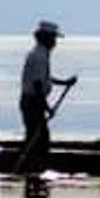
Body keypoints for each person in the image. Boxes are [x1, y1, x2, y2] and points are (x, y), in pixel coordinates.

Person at [19, 20, 76, 173]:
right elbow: (37, 86)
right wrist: (47, 108)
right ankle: (32, 169)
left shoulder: (41, 53)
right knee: (39, 139)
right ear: (45, 38)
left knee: (36, 137)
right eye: (53, 38)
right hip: (32, 102)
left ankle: (33, 168)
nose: (55, 42)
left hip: (33, 102)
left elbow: (45, 78)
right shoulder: (38, 56)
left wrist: (65, 83)